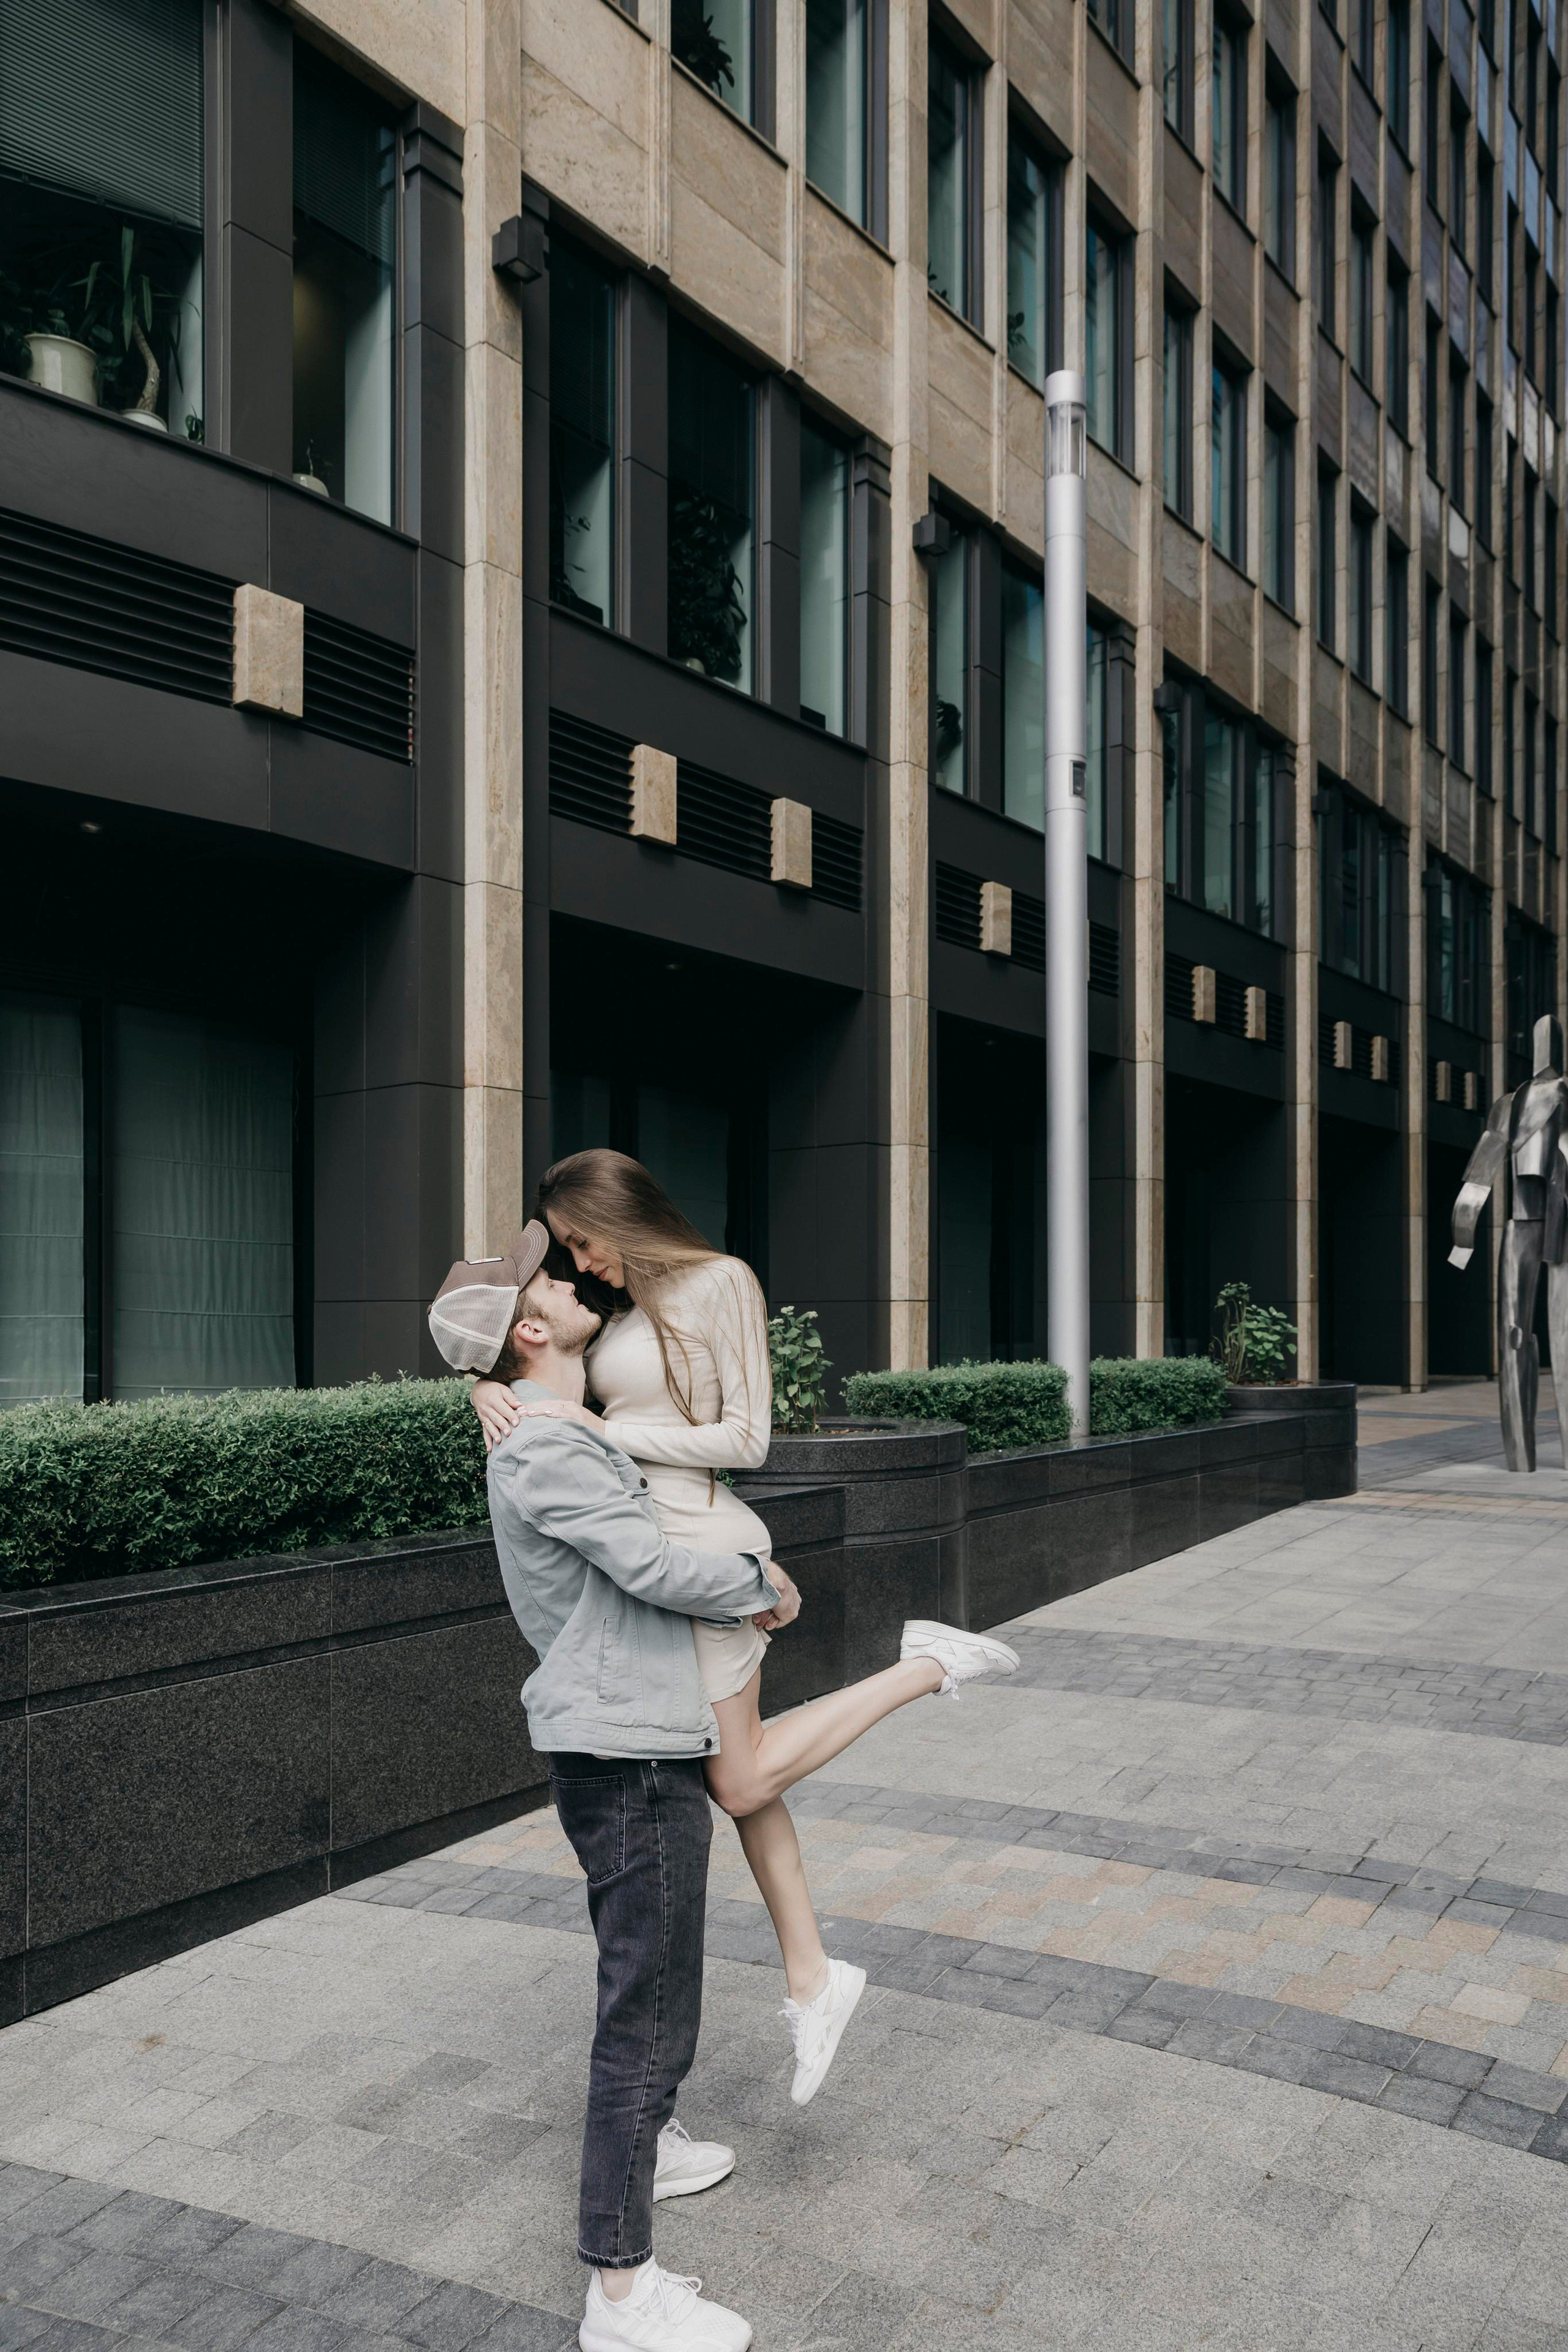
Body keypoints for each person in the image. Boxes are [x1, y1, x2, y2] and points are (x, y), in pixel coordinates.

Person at [467, 1150, 1020, 2110]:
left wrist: (609, 1435)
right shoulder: (623, 1314)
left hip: (700, 1543)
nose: (582, 1262)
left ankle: (927, 1664)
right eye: (569, 1252)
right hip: (652, 1553)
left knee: (742, 1774)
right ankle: (813, 1980)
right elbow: (547, 1383)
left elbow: (746, 1440)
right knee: (743, 1781)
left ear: (618, 1217)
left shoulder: (723, 1284)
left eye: (583, 1241)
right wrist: (485, 1388)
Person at [429, 1222, 782, 2350]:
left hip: (627, 1738)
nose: (575, 1280)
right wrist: (759, 1582)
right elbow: (652, 1565)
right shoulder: (549, 1448)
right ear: (533, 1330)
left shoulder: (546, 1426)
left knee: (657, 1982)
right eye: (551, 1281)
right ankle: (620, 2289)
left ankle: (658, 2143)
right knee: (646, 2006)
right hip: (626, 1752)